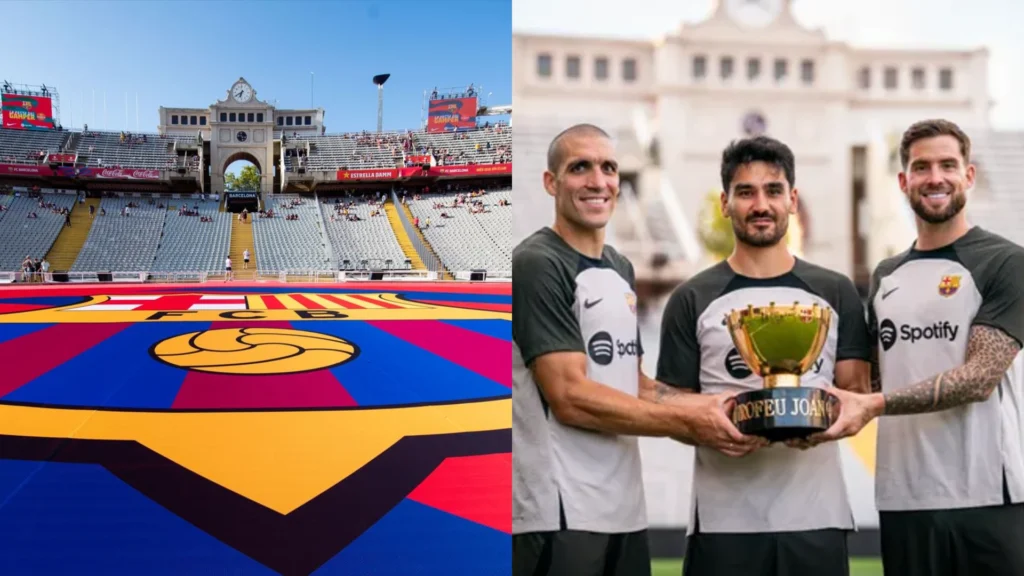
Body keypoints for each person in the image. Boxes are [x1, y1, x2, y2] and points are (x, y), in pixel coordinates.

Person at [512, 124, 765, 576]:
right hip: (560, 511)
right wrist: (689, 421)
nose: (598, 180)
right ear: (551, 183)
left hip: (624, 511)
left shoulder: (618, 266)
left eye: (608, 167)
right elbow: (570, 396)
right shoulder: (537, 262)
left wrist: (722, 407)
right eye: (580, 167)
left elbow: (634, 383)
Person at [810, 119, 1024, 576]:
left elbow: (980, 378)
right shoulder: (887, 275)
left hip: (989, 497)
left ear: (969, 175)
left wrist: (875, 404)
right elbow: (869, 377)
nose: (935, 177)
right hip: (903, 496)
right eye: (921, 166)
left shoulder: (1006, 261)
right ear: (904, 181)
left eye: (948, 164)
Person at [656, 135, 871, 576]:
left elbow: (856, 392)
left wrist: (818, 421)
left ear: (792, 200)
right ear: (725, 203)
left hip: (818, 516)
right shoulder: (691, 297)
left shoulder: (836, 291)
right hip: (723, 521)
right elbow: (669, 405)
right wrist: (714, 423)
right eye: (745, 192)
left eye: (773, 190)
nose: (761, 204)